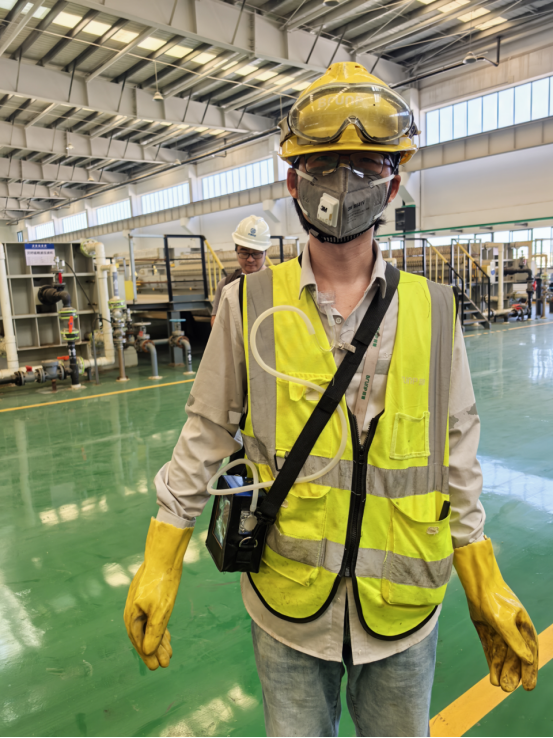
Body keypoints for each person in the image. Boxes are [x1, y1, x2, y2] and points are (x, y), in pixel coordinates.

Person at [124, 62, 539, 737]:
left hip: (402, 607)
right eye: (323, 164)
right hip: (288, 609)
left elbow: (455, 453)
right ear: (293, 180)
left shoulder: (434, 310)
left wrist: (480, 573)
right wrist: (162, 556)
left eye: (366, 164)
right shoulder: (247, 304)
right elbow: (204, 433)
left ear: (393, 183)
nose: (343, 181)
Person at [210, 214, 271, 327]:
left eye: (256, 253)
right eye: (244, 252)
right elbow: (215, 322)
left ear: (265, 252)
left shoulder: (275, 280)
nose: (250, 259)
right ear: (236, 251)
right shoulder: (226, 284)